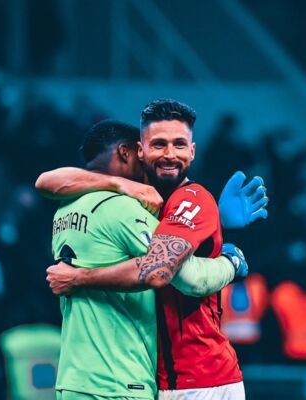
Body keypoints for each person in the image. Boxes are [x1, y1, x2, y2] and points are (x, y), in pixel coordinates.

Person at [39, 99, 267, 399]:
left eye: (179, 145)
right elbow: (45, 181)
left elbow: (162, 271)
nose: (170, 154)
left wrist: (230, 260)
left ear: (192, 151)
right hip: (155, 379)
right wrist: (120, 184)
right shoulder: (136, 201)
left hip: (203, 378)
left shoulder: (189, 199)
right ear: (140, 150)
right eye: (159, 144)